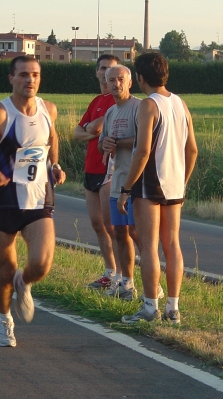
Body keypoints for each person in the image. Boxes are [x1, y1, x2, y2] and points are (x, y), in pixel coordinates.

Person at [0, 55, 66, 347]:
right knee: (5, 269)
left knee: (41, 265)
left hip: (39, 201)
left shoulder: (49, 110)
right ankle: (4, 319)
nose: (29, 80)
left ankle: (25, 281)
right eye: (23, 75)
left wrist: (55, 166)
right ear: (11, 78)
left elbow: (52, 139)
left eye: (34, 74)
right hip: (5, 201)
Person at [117, 52, 198, 324]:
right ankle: (173, 309)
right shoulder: (180, 104)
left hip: (150, 183)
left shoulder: (148, 105)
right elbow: (193, 150)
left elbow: (142, 152)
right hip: (175, 184)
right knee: (172, 245)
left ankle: (150, 307)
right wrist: (183, 181)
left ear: (140, 78)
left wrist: (126, 188)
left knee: (149, 246)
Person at [74, 54, 120, 289]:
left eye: (111, 69)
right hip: (91, 167)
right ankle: (109, 271)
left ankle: (123, 276)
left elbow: (95, 127)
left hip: (109, 170)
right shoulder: (96, 101)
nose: (105, 73)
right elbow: (78, 132)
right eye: (102, 69)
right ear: (96, 72)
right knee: (97, 224)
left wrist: (94, 129)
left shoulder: (118, 101)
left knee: (112, 226)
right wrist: (96, 132)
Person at [97, 64, 140, 300]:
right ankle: (126, 282)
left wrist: (118, 142)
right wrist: (105, 144)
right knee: (120, 233)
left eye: (120, 79)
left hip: (136, 182)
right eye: (111, 80)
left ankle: (154, 285)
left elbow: (145, 141)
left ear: (130, 82)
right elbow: (102, 141)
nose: (116, 84)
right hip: (116, 181)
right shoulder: (111, 112)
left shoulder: (139, 107)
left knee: (137, 233)